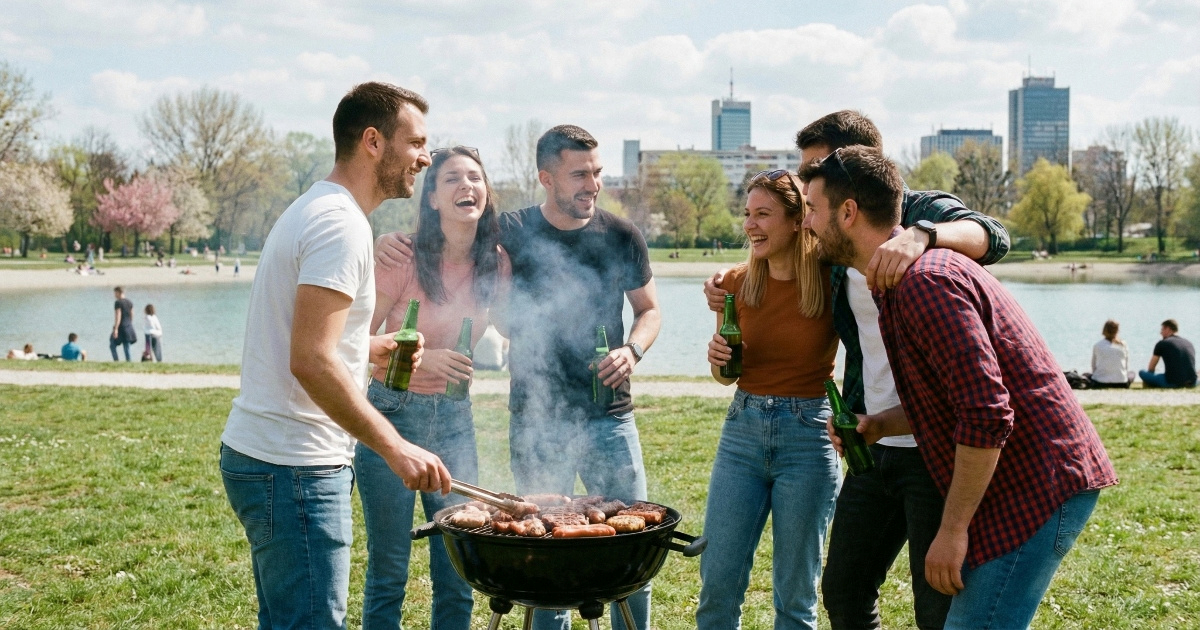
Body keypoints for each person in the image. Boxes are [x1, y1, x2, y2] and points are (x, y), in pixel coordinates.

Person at [704, 110, 1010, 630]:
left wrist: (922, 236)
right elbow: (782, 260)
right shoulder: (832, 242)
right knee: (843, 591)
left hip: (934, 440)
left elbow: (993, 235)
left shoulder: (914, 213)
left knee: (934, 604)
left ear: (858, 165)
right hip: (873, 435)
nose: (807, 185)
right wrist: (725, 283)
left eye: (815, 170)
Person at [799, 145, 1118, 630]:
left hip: (1043, 483)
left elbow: (987, 414)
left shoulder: (925, 283)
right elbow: (950, 401)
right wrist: (879, 424)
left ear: (847, 212)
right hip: (1013, 476)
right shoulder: (895, 282)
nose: (806, 224)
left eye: (812, 210)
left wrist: (951, 531)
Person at [375, 125, 661, 630]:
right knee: (542, 552)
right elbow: (454, 238)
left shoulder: (621, 235)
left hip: (610, 418)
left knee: (630, 551)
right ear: (546, 178)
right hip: (535, 418)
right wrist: (385, 240)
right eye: (580, 175)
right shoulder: (509, 230)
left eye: (596, 173)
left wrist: (632, 350)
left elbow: (650, 310)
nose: (593, 184)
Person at [219, 82, 449, 630]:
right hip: (294, 466)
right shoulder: (340, 225)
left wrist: (365, 349)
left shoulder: (319, 208)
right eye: (417, 142)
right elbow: (310, 361)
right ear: (373, 141)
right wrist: (395, 446)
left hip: (271, 459)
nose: (426, 158)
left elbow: (304, 339)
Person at [356, 146, 510, 630]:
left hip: (455, 422)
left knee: (459, 567)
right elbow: (355, 342)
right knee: (389, 570)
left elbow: (521, 322)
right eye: (452, 179)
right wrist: (424, 355)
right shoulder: (402, 255)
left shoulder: (496, 262)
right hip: (392, 414)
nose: (467, 186)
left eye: (475, 177)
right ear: (432, 199)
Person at [699, 169, 840, 629]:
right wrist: (718, 358)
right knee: (717, 585)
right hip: (742, 432)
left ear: (798, 220)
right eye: (747, 214)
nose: (750, 225)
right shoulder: (734, 283)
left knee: (795, 598)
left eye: (763, 214)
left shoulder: (833, 279)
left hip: (809, 438)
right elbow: (724, 376)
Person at [1139, 319, 1197, 388]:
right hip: (1192, 382)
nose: (1160, 333)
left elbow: (1151, 368)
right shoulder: (1188, 343)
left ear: (1168, 329)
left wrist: (1149, 378)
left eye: (1162, 330)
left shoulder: (1162, 343)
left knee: (1142, 372)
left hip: (1173, 382)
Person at [1089, 320, 1131, 389]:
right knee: (1132, 374)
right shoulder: (1123, 345)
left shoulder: (1097, 345)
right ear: (1117, 331)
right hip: (1121, 382)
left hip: (1100, 382)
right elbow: (1126, 366)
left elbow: (1093, 366)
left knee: (1087, 375)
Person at [110, 286, 137, 361]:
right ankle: (129, 362)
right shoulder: (129, 302)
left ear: (119, 292)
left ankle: (116, 360)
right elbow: (132, 315)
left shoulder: (118, 302)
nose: (115, 295)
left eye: (115, 293)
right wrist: (130, 324)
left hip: (121, 326)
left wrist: (116, 329)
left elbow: (118, 315)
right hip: (128, 326)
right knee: (127, 347)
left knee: (112, 344)